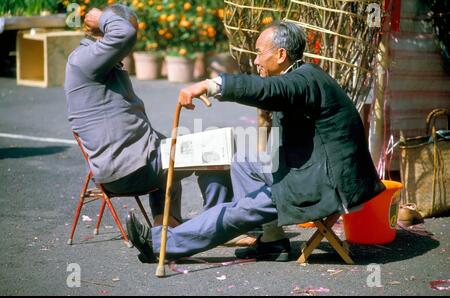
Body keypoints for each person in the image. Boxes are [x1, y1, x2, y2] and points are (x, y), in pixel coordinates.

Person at [126, 21, 386, 263]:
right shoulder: (305, 75)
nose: (255, 59)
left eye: (260, 53)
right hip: (317, 172)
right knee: (244, 161)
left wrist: (212, 85)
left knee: (238, 210)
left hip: (325, 186)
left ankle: (160, 245)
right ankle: (271, 241)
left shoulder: (302, 80)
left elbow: (268, 91)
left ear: (281, 55)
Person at [65, 5, 233, 228]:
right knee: (215, 150)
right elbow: (125, 33)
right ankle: (220, 226)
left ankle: (166, 224)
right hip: (130, 169)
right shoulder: (87, 59)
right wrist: (103, 17)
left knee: (172, 146)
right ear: (105, 30)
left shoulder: (96, 62)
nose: (131, 46)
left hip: (127, 165)